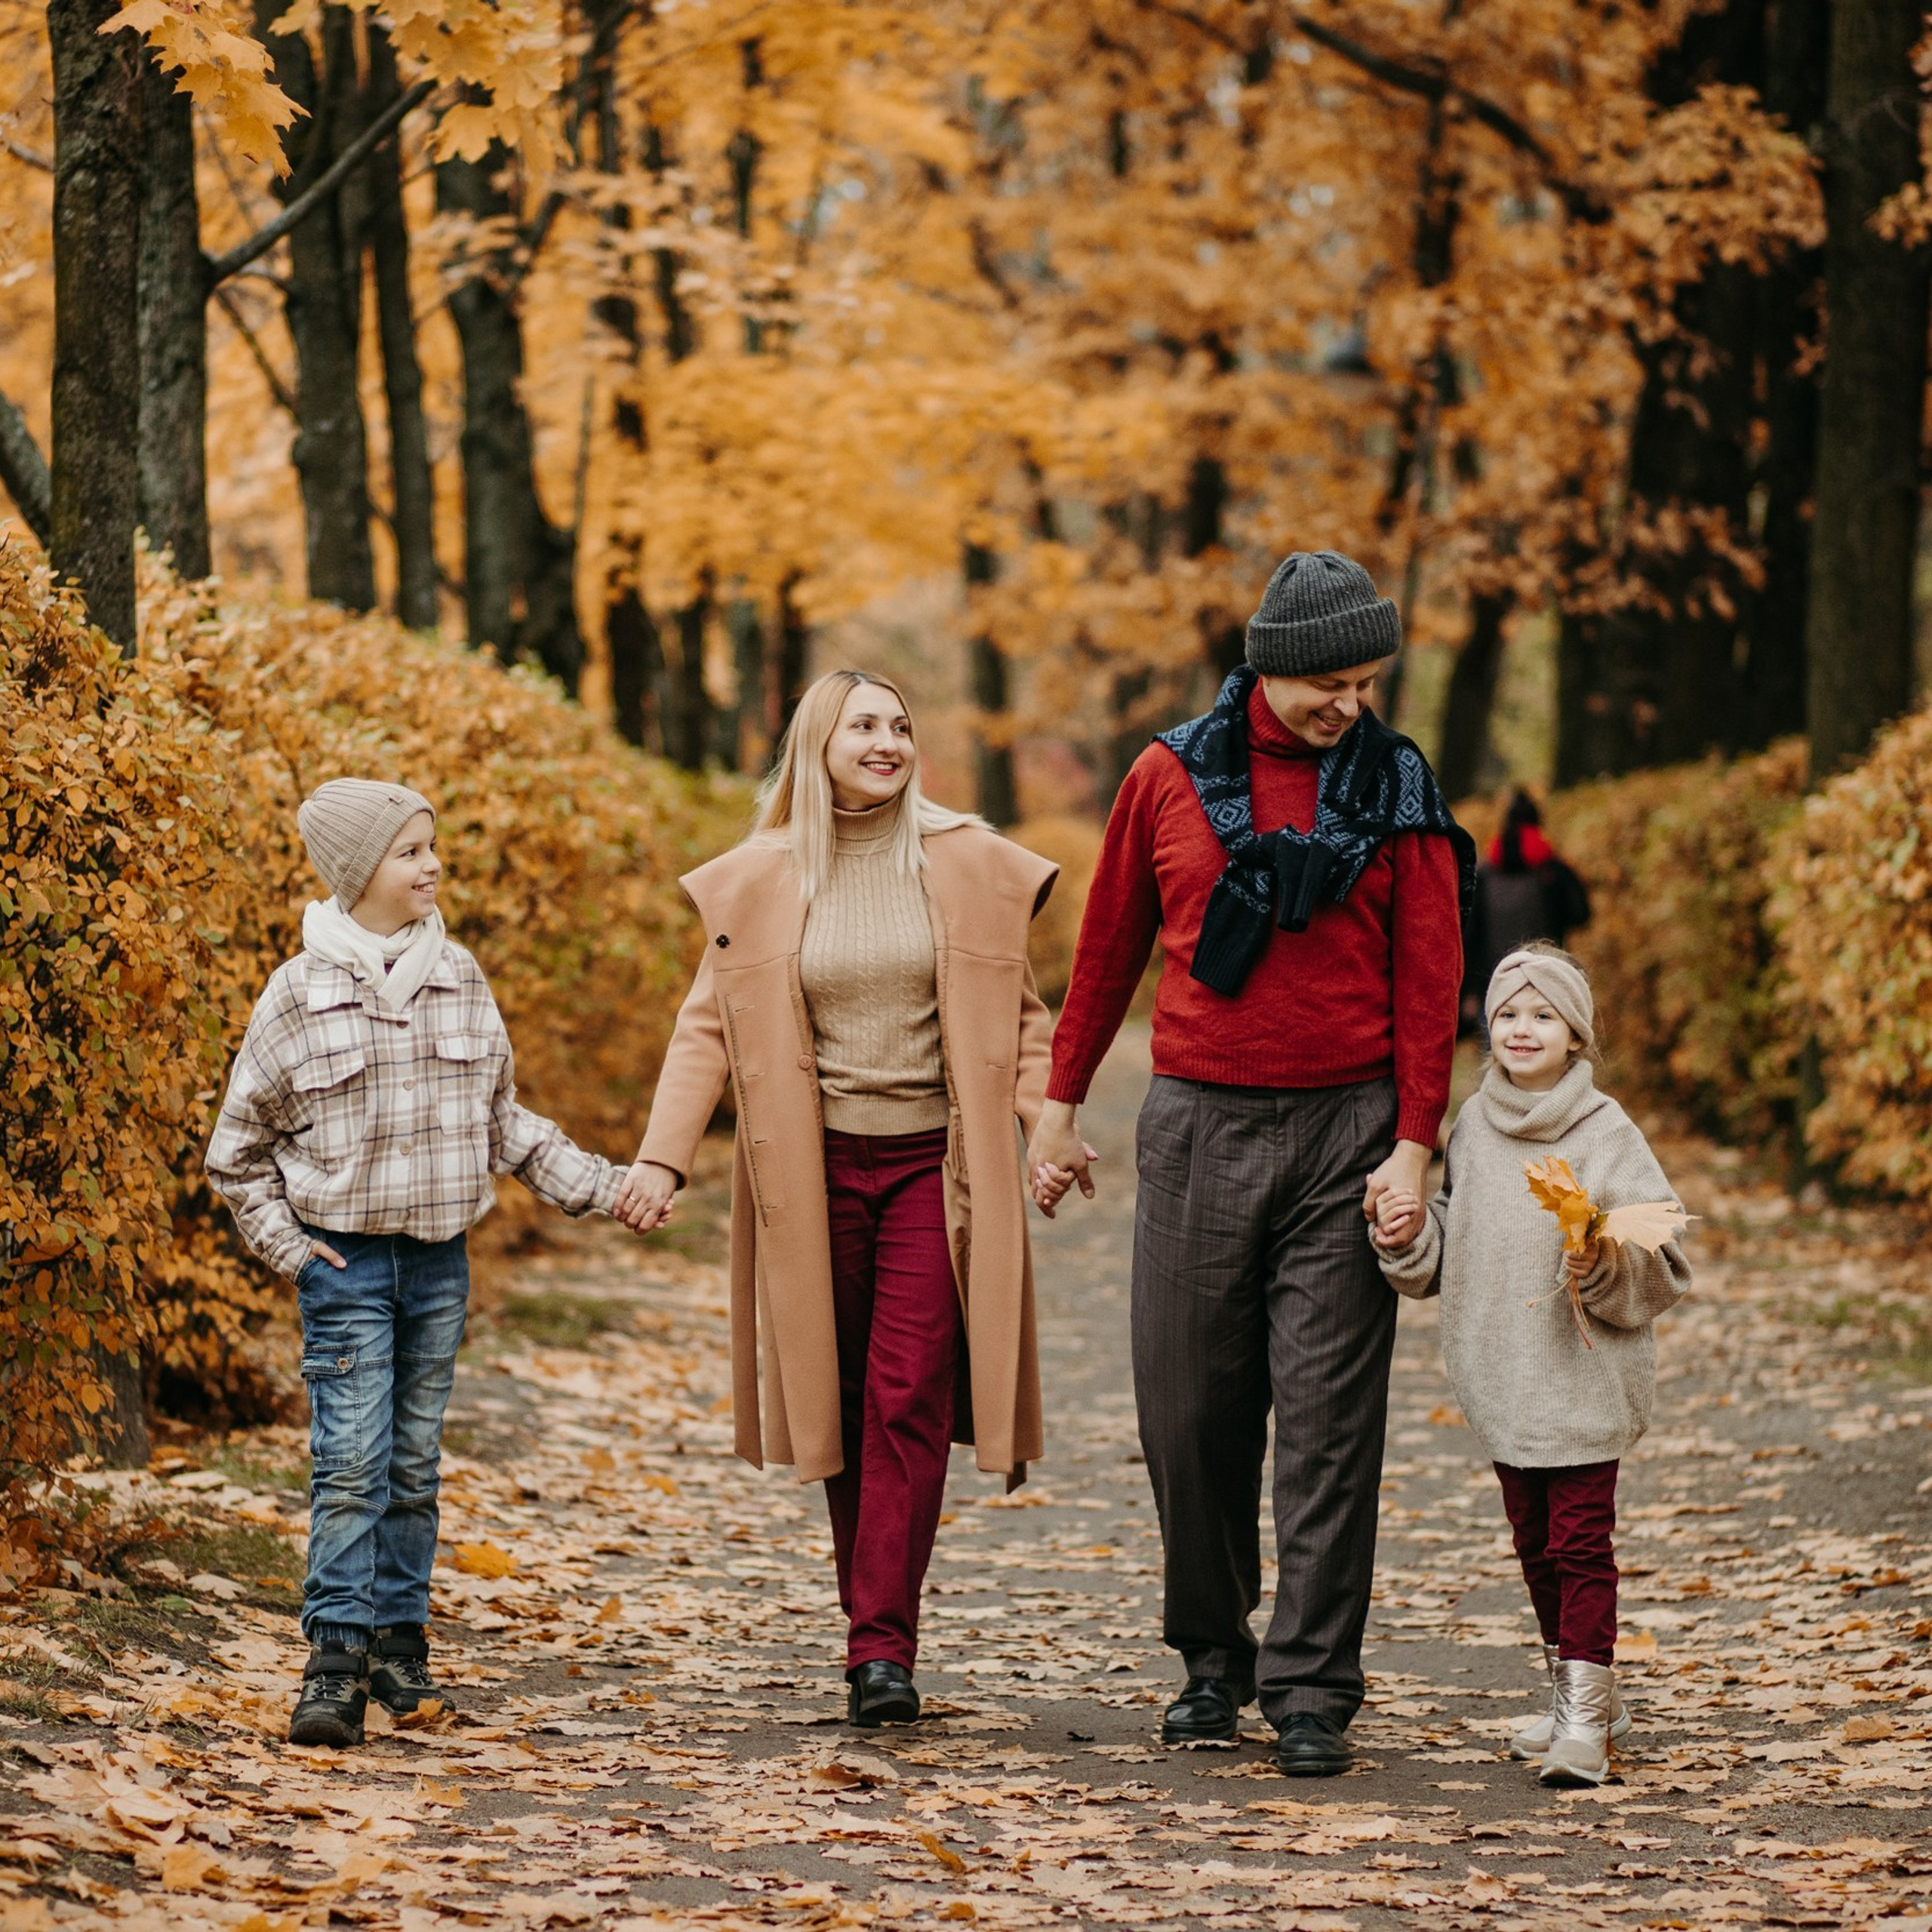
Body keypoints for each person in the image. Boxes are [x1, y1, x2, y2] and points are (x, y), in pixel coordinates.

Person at [1027, 550, 1473, 1777]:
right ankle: (1210, 1660)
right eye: (1331, 681)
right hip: (1198, 1125)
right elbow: (1109, 946)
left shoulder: (1396, 785)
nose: (1352, 704)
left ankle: (1315, 1686)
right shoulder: (1172, 774)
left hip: (1348, 1133)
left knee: (1331, 1424)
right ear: (1271, 666)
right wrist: (1057, 1108)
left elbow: (1431, 980)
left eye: (1369, 680)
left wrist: (1416, 1146)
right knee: (1187, 1409)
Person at [614, 670, 1063, 1727]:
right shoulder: (761, 876)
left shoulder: (965, 863)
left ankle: (881, 1649)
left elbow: (1027, 1017)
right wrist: (660, 1160)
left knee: (910, 1394)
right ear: (818, 743)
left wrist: (1052, 1122)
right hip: (812, 1173)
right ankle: (874, 1626)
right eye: (865, 725)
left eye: (902, 725)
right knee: (841, 1402)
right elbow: (707, 1027)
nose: (888, 741)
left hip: (931, 1172)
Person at [206, 780, 629, 1749]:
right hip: (344, 1266)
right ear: (360, 873)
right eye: (410, 851)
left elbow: (502, 1123)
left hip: (438, 1266)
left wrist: (603, 1187)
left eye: (432, 846)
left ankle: (401, 1645)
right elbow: (237, 1151)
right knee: (349, 1464)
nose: (431, 865)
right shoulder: (297, 994)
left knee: (412, 1465)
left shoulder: (461, 979)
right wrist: (288, 1248)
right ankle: (334, 1660)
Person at [1371, 944, 1691, 1786]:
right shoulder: (1471, 1125)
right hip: (1503, 1376)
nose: (1522, 1028)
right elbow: (1449, 1240)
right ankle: (1579, 1692)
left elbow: (1659, 1230)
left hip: (1582, 1376)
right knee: (1535, 1544)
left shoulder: (1604, 1128)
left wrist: (1602, 1257)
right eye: (1507, 1012)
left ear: (1575, 1036)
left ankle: (1585, 1722)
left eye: (1543, 1014)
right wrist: (1406, 1236)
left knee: (1581, 1542)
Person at [1462, 792, 1590, 1036]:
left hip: (1492, 982)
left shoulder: (1485, 874)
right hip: (1547, 980)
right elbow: (1581, 914)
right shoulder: (1551, 870)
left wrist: (1469, 991)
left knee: (1499, 1053)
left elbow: (1470, 935)